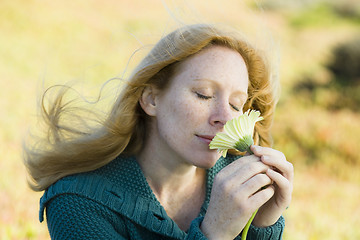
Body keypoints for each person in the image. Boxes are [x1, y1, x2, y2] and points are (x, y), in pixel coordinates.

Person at [24, 23, 293, 239]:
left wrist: (263, 224)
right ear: (151, 99)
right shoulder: (78, 201)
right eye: (203, 95)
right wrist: (215, 233)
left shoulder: (239, 184)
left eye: (236, 104)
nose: (224, 118)